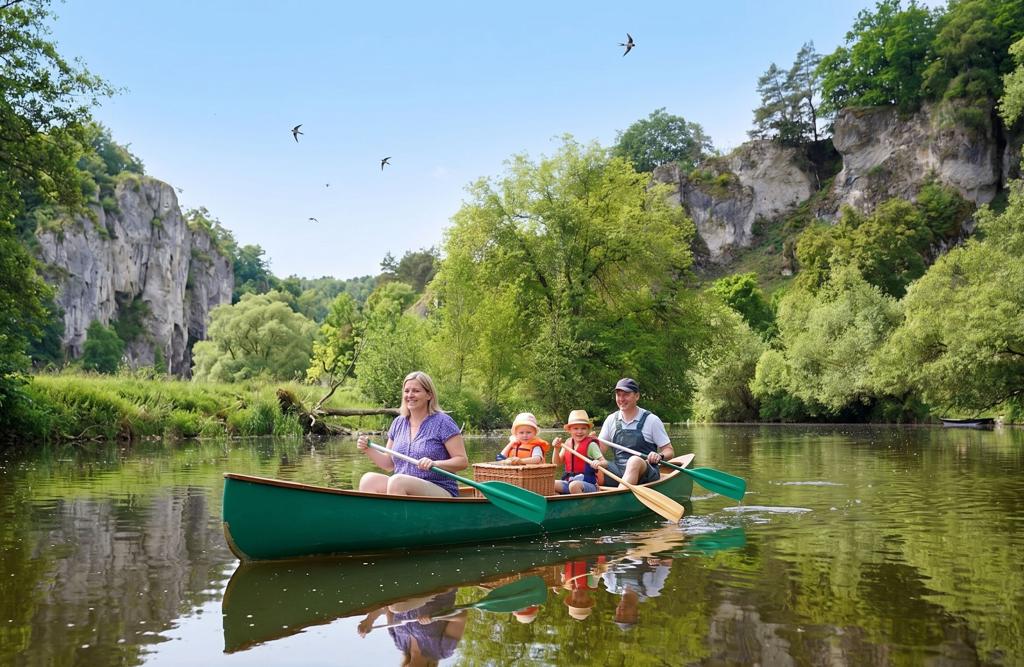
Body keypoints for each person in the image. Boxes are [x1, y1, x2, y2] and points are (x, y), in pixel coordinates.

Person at [356, 371, 468, 497]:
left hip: (439, 489)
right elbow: (389, 464)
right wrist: (367, 449)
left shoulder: (443, 422)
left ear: (429, 395)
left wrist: (435, 463)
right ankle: (379, 516)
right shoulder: (399, 423)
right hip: (401, 485)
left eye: (416, 391)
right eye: (407, 391)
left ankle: (396, 516)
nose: (410, 395)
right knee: (368, 480)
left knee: (397, 481)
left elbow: (462, 462)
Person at [357, 588, 466, 667]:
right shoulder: (442, 651)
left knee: (394, 605)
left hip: (406, 590)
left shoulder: (400, 644)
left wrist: (370, 620)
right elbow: (461, 616)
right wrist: (435, 618)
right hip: (438, 589)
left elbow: (386, 608)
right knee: (397, 607)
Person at [595, 378, 673, 486]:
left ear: (637, 396)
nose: (621, 399)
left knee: (634, 461)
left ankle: (619, 498)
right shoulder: (611, 420)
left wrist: (659, 456)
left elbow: (669, 451)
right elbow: (599, 452)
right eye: (618, 395)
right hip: (618, 471)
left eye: (626, 394)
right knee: (597, 465)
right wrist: (588, 444)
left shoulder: (652, 420)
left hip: (646, 471)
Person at [551, 409, 605, 494]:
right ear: (569, 430)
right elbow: (556, 464)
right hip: (569, 481)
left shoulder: (591, 446)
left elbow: (604, 462)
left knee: (574, 485)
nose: (579, 432)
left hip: (588, 484)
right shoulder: (567, 443)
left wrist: (598, 463)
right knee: (549, 484)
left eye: (583, 428)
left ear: (588, 430)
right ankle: (562, 503)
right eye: (575, 428)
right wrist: (556, 448)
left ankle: (581, 506)